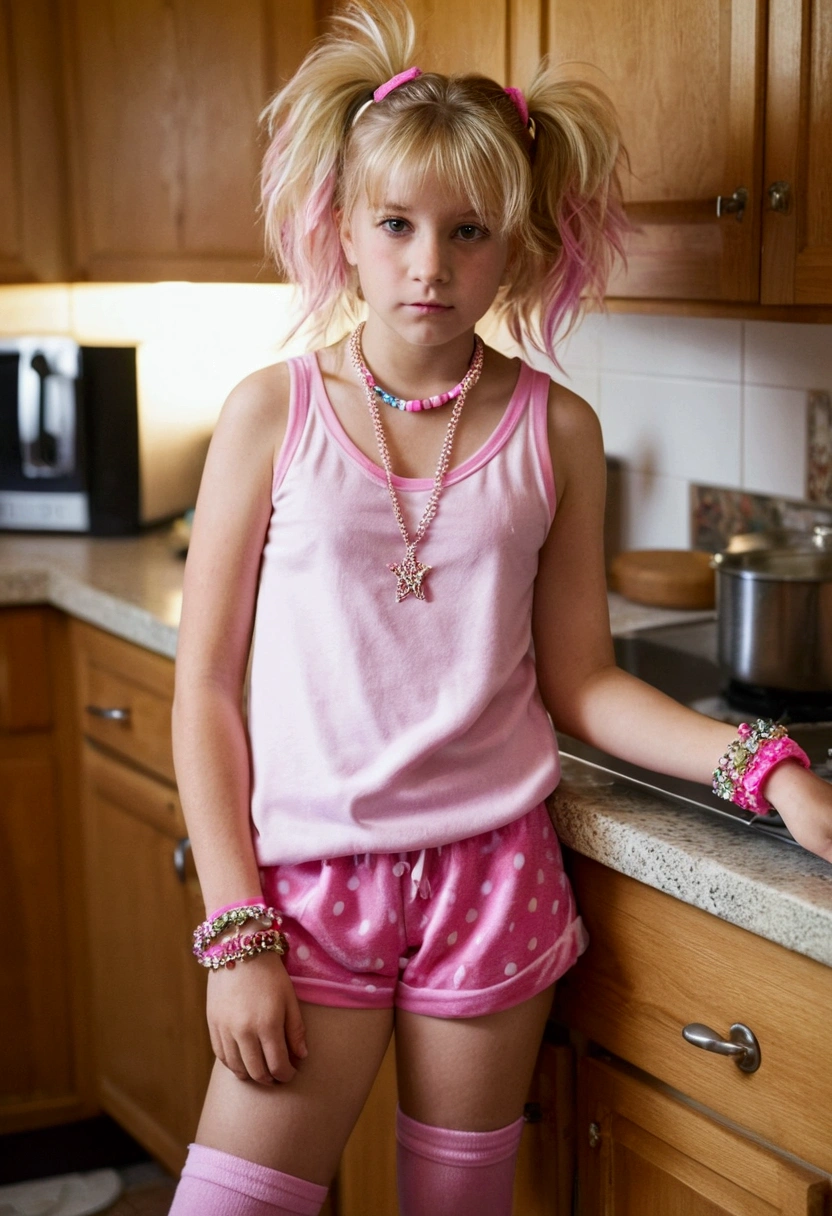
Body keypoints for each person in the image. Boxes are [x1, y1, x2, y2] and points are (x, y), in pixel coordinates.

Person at [167, 4, 832, 1214]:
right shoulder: (269, 415)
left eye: (467, 231)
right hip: (304, 883)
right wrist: (237, 929)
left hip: (494, 879)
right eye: (398, 224)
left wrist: (768, 768)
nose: (430, 262)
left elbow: (582, 683)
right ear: (345, 232)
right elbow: (205, 688)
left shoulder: (555, 430)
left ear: (516, 250)